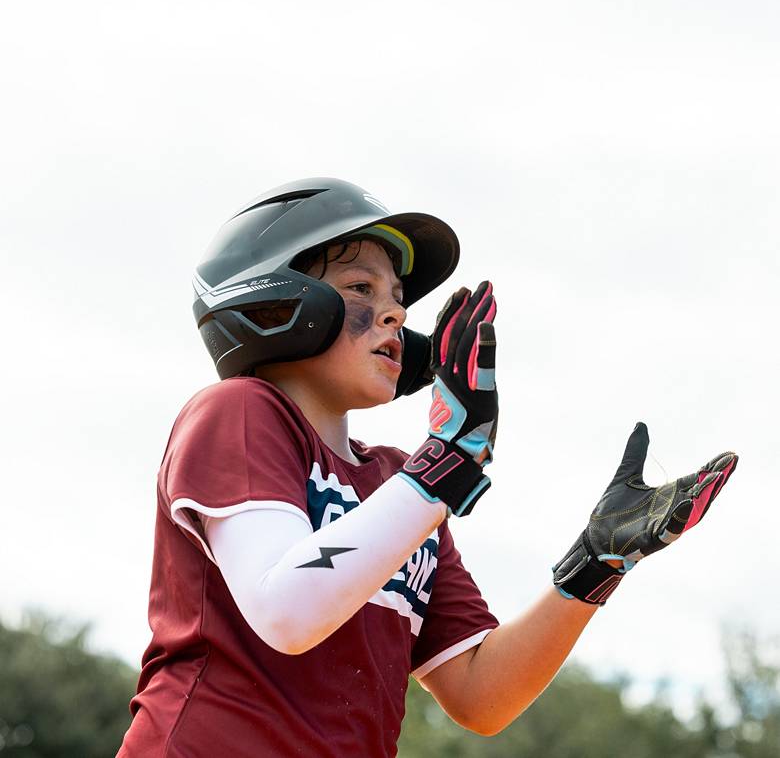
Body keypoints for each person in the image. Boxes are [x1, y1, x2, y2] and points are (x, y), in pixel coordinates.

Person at [118, 178, 738, 757]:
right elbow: (286, 609)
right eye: (361, 289)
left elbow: (480, 694)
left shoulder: (400, 483)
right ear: (275, 300)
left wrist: (595, 562)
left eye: (398, 299)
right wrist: (445, 466)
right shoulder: (239, 412)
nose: (395, 314)